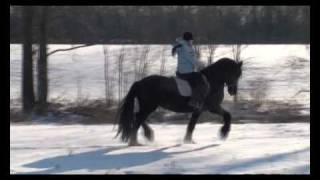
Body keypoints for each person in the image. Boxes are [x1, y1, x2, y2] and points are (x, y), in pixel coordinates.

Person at [172, 32, 207, 110]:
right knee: (201, 81)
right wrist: (203, 65)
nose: (192, 41)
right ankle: (194, 101)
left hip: (180, 71)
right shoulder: (186, 47)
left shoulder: (181, 45)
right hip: (186, 72)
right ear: (189, 40)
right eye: (191, 40)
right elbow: (192, 60)